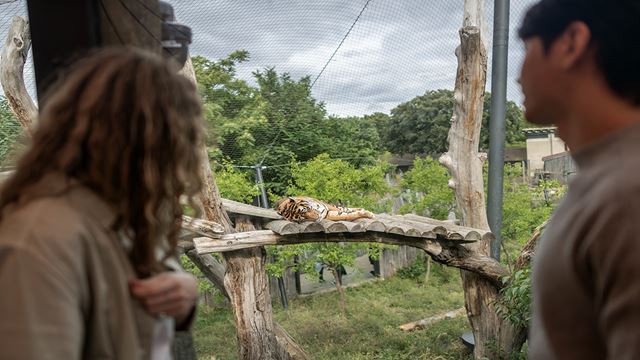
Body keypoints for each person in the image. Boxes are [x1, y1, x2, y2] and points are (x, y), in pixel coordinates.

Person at [0, 48, 205, 359]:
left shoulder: (119, 213)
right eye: (171, 141)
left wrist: (184, 296)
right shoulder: (38, 238)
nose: (177, 161)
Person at [518, 0, 640, 358]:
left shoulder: (627, 193)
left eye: (527, 49)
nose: (518, 73)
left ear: (572, 43)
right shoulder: (607, 177)